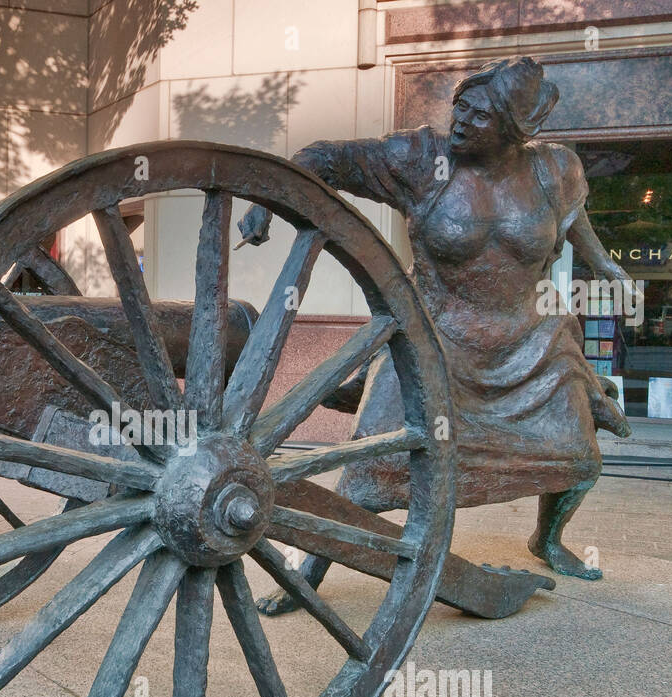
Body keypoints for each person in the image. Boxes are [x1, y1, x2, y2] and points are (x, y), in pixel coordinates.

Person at [238, 57, 632, 614]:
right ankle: (307, 574)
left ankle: (546, 539)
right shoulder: (423, 161)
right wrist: (265, 203)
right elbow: (323, 159)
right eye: (461, 106)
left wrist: (604, 265)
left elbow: (573, 223)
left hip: (533, 341)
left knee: (577, 456)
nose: (462, 119)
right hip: (434, 338)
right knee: (371, 474)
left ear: (517, 128)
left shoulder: (553, 171)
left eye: (481, 113)